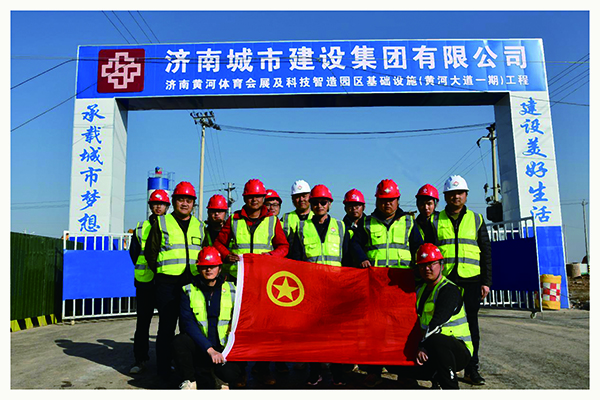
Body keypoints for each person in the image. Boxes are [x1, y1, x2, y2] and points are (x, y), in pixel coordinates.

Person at [213, 178, 289, 385]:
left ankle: (262, 369)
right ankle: (240, 371)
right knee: (239, 327)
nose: (254, 200)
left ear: (263, 198)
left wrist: (270, 258)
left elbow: (283, 247)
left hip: (264, 281)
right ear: (244, 198)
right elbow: (219, 243)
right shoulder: (234, 219)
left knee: (264, 327)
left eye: (258, 196)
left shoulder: (272, 221)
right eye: (250, 197)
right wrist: (226, 254)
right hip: (238, 281)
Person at [351, 178, 414, 387]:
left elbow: (418, 247)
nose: (387, 204)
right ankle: (374, 372)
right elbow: (354, 244)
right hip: (376, 287)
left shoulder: (409, 222)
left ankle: (404, 373)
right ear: (377, 201)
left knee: (402, 332)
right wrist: (362, 258)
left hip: (401, 287)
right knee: (376, 331)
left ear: (398, 200)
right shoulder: (367, 223)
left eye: (391, 200)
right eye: (383, 200)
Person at [287, 184, 352, 386]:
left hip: (335, 289)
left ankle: (337, 373)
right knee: (313, 334)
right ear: (311, 204)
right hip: (312, 289)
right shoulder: (302, 228)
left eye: (323, 202)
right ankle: (315, 373)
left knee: (337, 333)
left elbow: (347, 257)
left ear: (330, 204)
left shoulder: (340, 227)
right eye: (315, 202)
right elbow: (296, 259)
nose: (319, 206)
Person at [432, 175, 492, 385]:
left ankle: (471, 369)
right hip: (445, 283)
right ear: (445, 196)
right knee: (441, 325)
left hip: (471, 281)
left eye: (459, 193)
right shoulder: (436, 220)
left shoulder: (476, 219)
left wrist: (486, 281)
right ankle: (442, 370)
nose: (456, 197)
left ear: (466, 195)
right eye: (451, 193)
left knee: (471, 326)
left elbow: (486, 252)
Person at [144, 181, 205, 386]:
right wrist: (162, 273)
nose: (185, 204)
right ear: (174, 201)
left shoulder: (200, 226)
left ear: (193, 203)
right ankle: (163, 371)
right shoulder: (162, 223)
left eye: (189, 200)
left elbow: (204, 253)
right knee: (167, 328)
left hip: (192, 284)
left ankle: (188, 371)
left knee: (191, 328)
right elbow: (151, 253)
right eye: (181, 200)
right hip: (168, 285)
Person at [388, 243, 473, 390]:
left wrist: (422, 346)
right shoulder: (420, 290)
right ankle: (435, 378)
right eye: (422, 265)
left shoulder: (449, 290)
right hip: (431, 348)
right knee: (393, 363)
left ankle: (451, 388)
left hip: (457, 350)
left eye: (431, 264)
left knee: (437, 340)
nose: (427, 269)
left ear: (441, 265)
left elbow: (437, 323)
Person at [172, 246, 245, 390]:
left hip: (224, 348)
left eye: (213, 266)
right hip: (201, 347)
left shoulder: (232, 289)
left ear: (219, 268)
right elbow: (188, 323)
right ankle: (190, 381)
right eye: (205, 266)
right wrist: (209, 349)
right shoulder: (189, 290)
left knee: (230, 373)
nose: (209, 270)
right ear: (199, 268)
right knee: (179, 342)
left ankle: (220, 378)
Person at [128, 189, 170, 375]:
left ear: (167, 206)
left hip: (164, 282)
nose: (158, 207)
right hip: (145, 283)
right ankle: (140, 360)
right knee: (142, 324)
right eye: (155, 204)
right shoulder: (140, 227)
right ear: (150, 206)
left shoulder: (172, 227)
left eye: (161, 204)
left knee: (166, 325)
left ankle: (165, 361)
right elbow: (134, 253)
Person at [409, 184, 440, 269]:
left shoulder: (442, 222)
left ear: (435, 204)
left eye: (429, 204)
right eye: (422, 204)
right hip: (420, 266)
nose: (426, 207)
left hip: (436, 266)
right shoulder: (412, 224)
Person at [281, 180, 313, 246]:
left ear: (310, 197)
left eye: (304, 196)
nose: (301, 199)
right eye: (297, 197)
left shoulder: (317, 217)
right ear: (292, 199)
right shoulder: (285, 218)